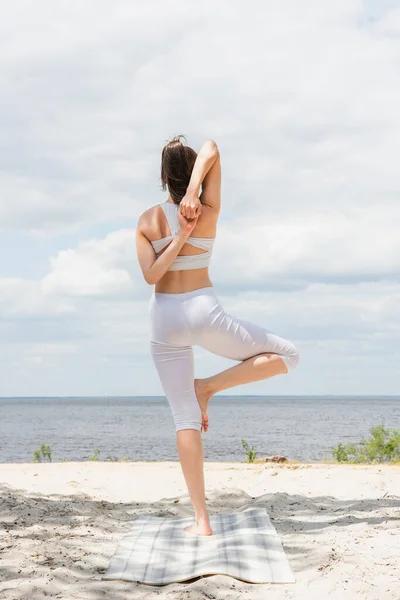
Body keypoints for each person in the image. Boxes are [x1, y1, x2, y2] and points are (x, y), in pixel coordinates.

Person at [136, 135, 300, 536]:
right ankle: (207, 387)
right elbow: (212, 147)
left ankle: (202, 521)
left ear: (162, 177)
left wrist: (174, 233)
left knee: (183, 419)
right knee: (288, 356)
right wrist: (191, 210)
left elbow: (151, 277)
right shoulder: (208, 209)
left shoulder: (146, 221)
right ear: (196, 173)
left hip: (165, 318)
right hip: (204, 311)